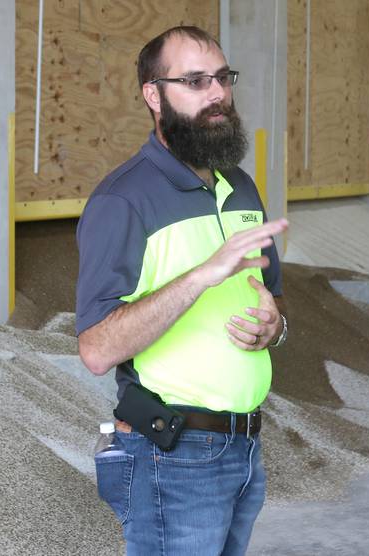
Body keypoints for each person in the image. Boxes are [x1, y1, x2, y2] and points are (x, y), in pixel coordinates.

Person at [75, 25, 288, 555]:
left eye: (221, 77)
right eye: (194, 80)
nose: (216, 93)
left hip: (243, 450)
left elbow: (274, 298)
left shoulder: (240, 185)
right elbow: (97, 349)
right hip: (170, 455)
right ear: (154, 95)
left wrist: (275, 327)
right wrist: (200, 275)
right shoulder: (123, 200)